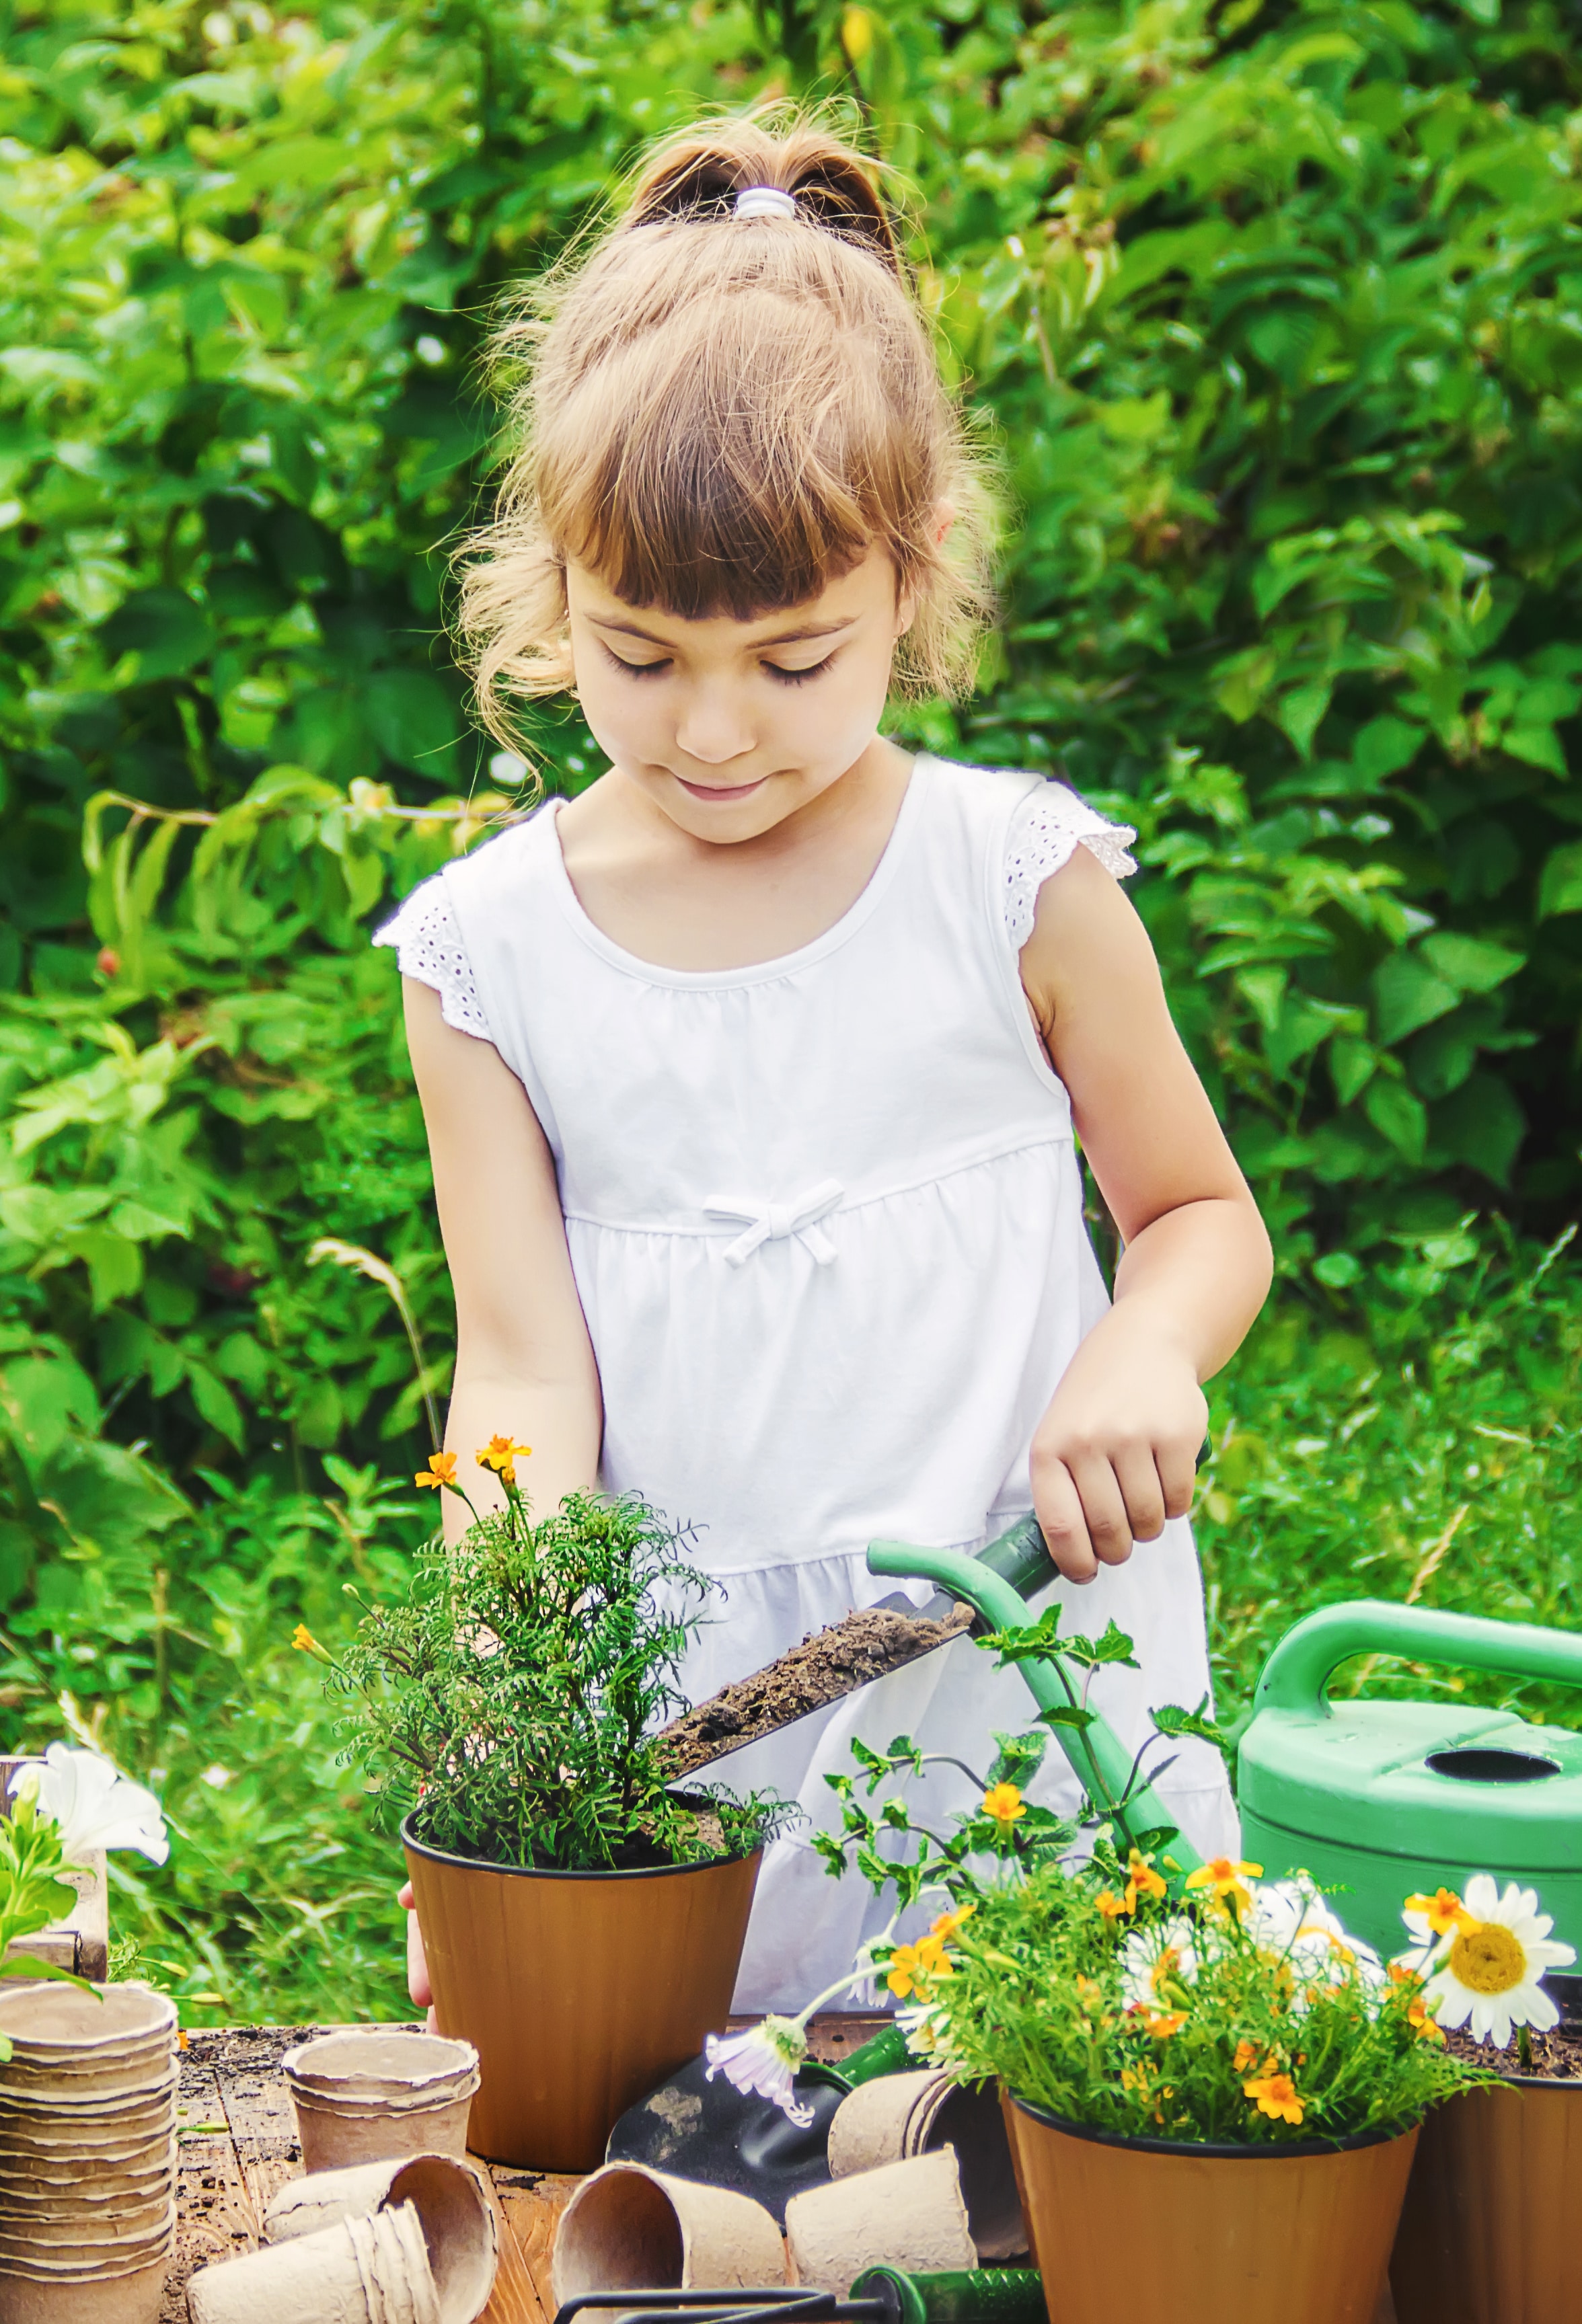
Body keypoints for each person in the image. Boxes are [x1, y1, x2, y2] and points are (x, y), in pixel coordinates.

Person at [377, 112, 1273, 2011]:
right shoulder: (487, 955)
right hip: (700, 1696)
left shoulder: (1007, 878)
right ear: (554, 584)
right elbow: (521, 1367)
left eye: (793, 663)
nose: (710, 732)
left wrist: (1140, 1351)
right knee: (717, 2165)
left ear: (914, 568)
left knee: (1061, 2111)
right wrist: (499, 1697)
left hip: (1021, 1643)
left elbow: (1196, 1214)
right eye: (636, 655)